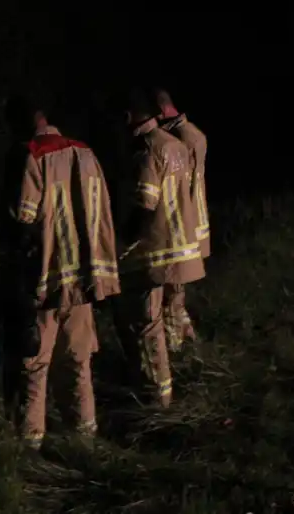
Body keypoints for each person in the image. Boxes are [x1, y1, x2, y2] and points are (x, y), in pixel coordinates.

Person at [5, 94, 121, 451]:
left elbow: (24, 220)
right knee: (78, 363)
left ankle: (30, 449)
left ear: (24, 122)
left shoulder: (33, 156)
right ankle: (85, 442)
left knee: (34, 367)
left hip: (46, 282)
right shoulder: (86, 153)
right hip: (85, 280)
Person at [116, 89, 206, 408]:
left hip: (156, 250)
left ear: (128, 117)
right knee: (172, 312)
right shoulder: (176, 145)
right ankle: (186, 366)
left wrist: (124, 240)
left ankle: (158, 397)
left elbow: (145, 202)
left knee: (147, 324)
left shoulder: (147, 149)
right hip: (180, 244)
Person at [153, 88, 210, 352]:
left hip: (181, 227)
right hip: (195, 224)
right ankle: (187, 338)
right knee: (177, 293)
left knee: (171, 293)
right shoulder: (194, 134)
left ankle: (175, 349)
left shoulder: (177, 141)